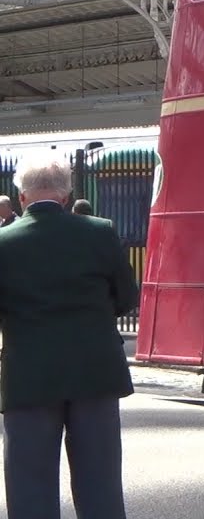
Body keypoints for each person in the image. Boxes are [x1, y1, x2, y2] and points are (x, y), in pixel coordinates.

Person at [0, 151, 138, 518]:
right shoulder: (100, 232)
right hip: (95, 374)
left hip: (30, 379)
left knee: (31, 491)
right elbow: (126, 297)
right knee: (101, 489)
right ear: (65, 195)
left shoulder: (4, 244)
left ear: (22, 197)